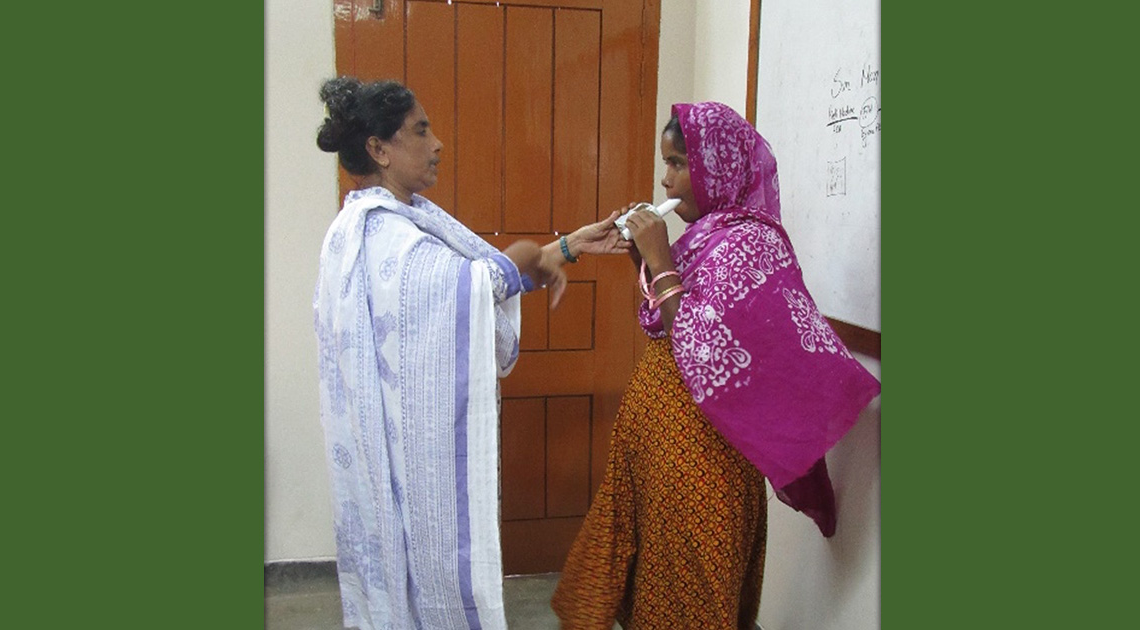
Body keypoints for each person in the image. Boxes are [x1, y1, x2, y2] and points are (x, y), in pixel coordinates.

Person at [551, 102, 882, 629]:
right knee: (650, 578)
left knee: (691, 591)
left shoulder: (753, 244)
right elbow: (671, 314)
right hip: (658, 447)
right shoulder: (707, 235)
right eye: (666, 163)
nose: (666, 179)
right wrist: (644, 259)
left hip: (704, 460)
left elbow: (707, 349)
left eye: (679, 163)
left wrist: (660, 259)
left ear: (718, 166)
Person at [312, 77, 627, 630]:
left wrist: (567, 246)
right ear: (379, 149)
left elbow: (474, 287)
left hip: (387, 449)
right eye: (420, 130)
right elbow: (469, 289)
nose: (437, 144)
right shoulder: (384, 234)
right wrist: (538, 253)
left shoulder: (373, 224)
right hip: (401, 459)